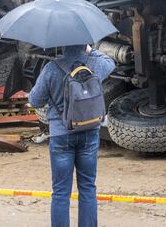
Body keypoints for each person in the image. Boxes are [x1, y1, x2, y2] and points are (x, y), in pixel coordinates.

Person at [29, 44, 116, 227]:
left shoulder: (51, 68)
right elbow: (111, 62)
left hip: (61, 135)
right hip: (89, 133)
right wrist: (91, 50)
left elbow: (35, 100)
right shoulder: (95, 64)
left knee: (60, 192)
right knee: (87, 188)